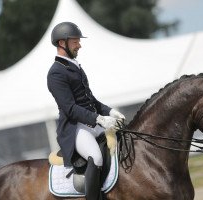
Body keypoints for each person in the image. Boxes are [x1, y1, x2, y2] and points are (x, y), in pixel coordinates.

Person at [47, 22, 125, 200]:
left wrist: (110, 111)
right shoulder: (56, 73)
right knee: (96, 157)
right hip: (75, 128)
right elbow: (70, 108)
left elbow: (90, 100)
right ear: (62, 43)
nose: (79, 45)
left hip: (91, 122)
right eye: (75, 42)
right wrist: (99, 119)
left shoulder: (74, 67)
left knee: (123, 141)